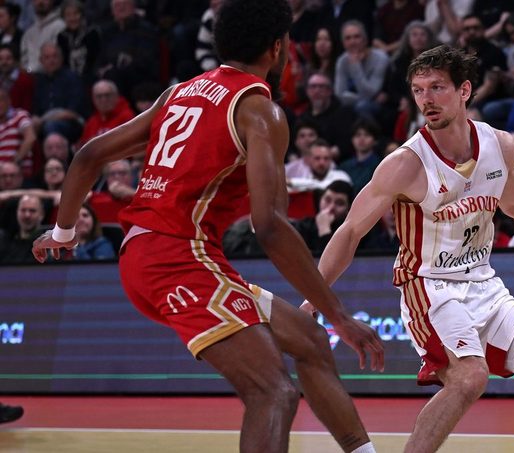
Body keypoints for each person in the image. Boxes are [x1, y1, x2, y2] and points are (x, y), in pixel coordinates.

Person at [31, 1, 382, 452]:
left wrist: (62, 233)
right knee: (273, 391)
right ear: (278, 48)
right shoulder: (261, 111)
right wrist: (340, 315)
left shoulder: (178, 92)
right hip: (176, 260)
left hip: (158, 253)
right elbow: (269, 227)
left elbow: (87, 157)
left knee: (310, 339)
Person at [303, 44, 514, 453]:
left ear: (465, 91)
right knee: (470, 377)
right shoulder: (405, 163)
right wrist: (313, 300)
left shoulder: (501, 145)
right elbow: (350, 232)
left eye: (437, 87)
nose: (426, 99)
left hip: (484, 284)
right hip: (429, 287)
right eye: (419, 90)